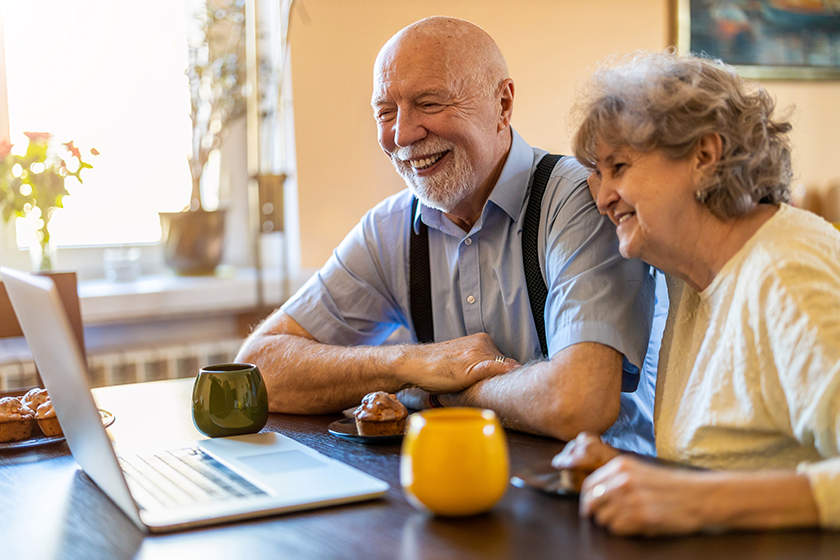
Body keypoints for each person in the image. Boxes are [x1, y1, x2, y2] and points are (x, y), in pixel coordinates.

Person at [236, 17, 662, 452]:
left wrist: (438, 392)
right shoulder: (390, 228)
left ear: (503, 104)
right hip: (453, 486)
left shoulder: (579, 199)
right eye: (385, 112)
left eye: (430, 103)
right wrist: (416, 361)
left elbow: (578, 401)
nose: (402, 134)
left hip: (597, 497)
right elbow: (257, 369)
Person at [552, 49, 840, 535]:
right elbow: (734, 456)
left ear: (704, 156)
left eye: (618, 167)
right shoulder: (688, 281)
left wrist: (696, 499)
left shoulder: (789, 276)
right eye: (597, 175)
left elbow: (709, 494)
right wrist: (643, 472)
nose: (601, 198)